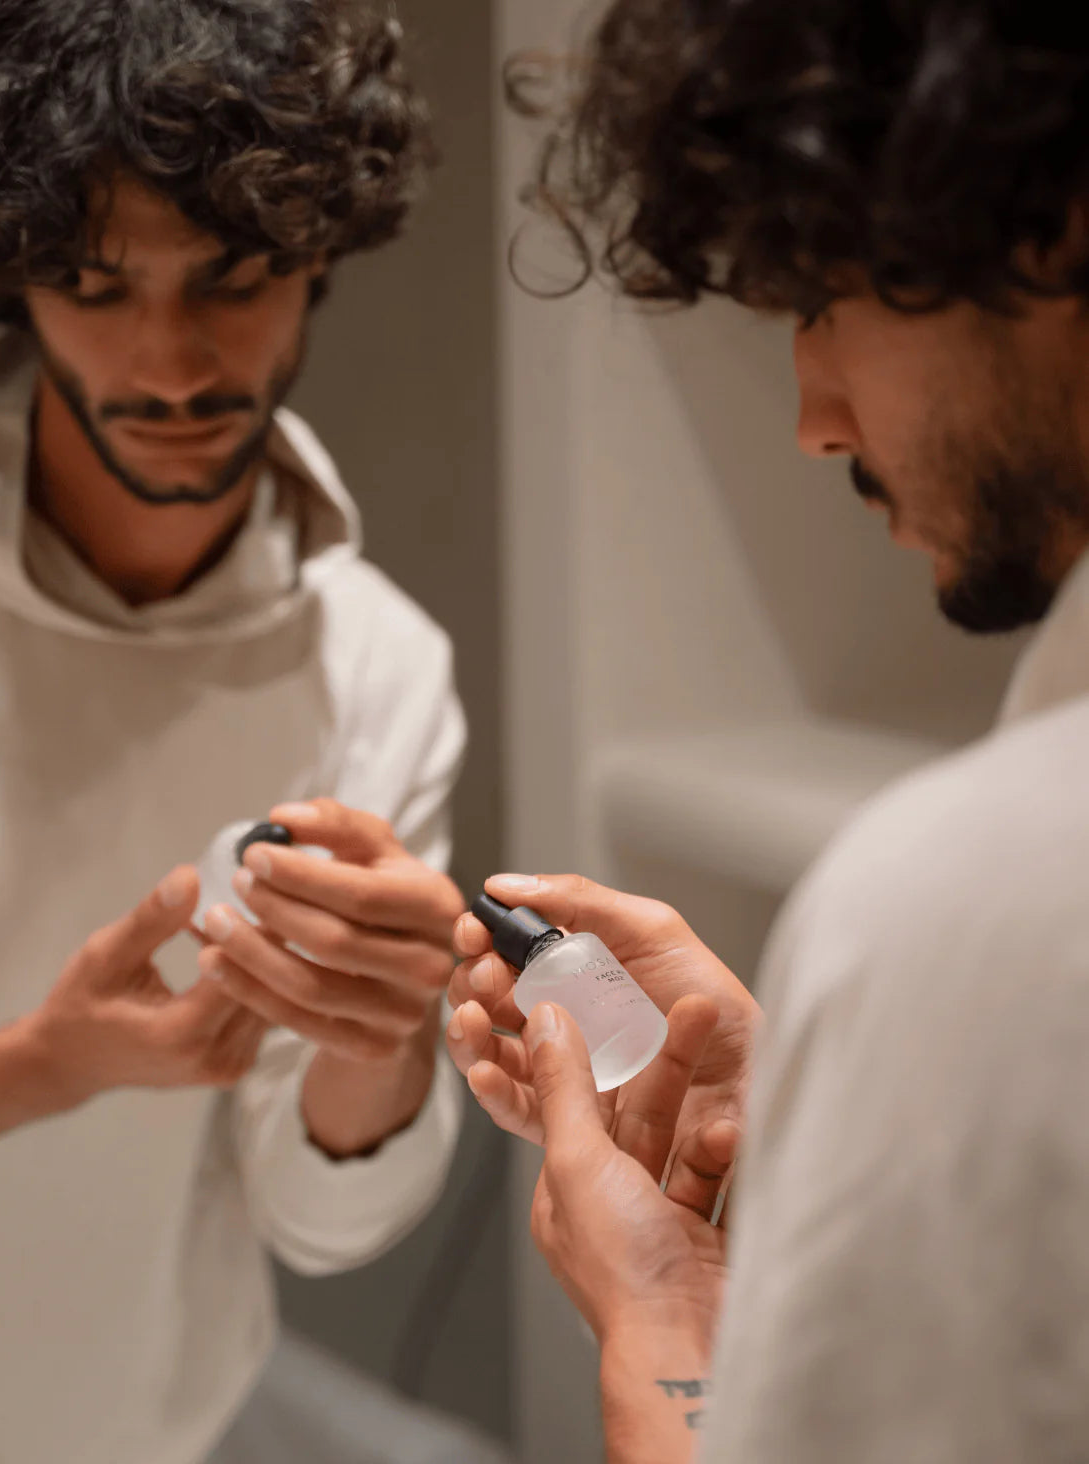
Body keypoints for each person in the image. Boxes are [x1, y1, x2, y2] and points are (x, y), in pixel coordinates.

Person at [449, 2, 1089, 1460]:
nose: (812, 414)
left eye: (826, 295)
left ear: (1044, 232)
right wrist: (836, 1118)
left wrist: (660, 1332)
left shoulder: (974, 903)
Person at [0, 3, 467, 1462]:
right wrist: (39, 1068)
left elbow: (322, 1224)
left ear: (321, 256)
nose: (173, 361)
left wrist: (378, 1033)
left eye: (235, 278)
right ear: (14, 276)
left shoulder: (373, 664)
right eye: (93, 283)